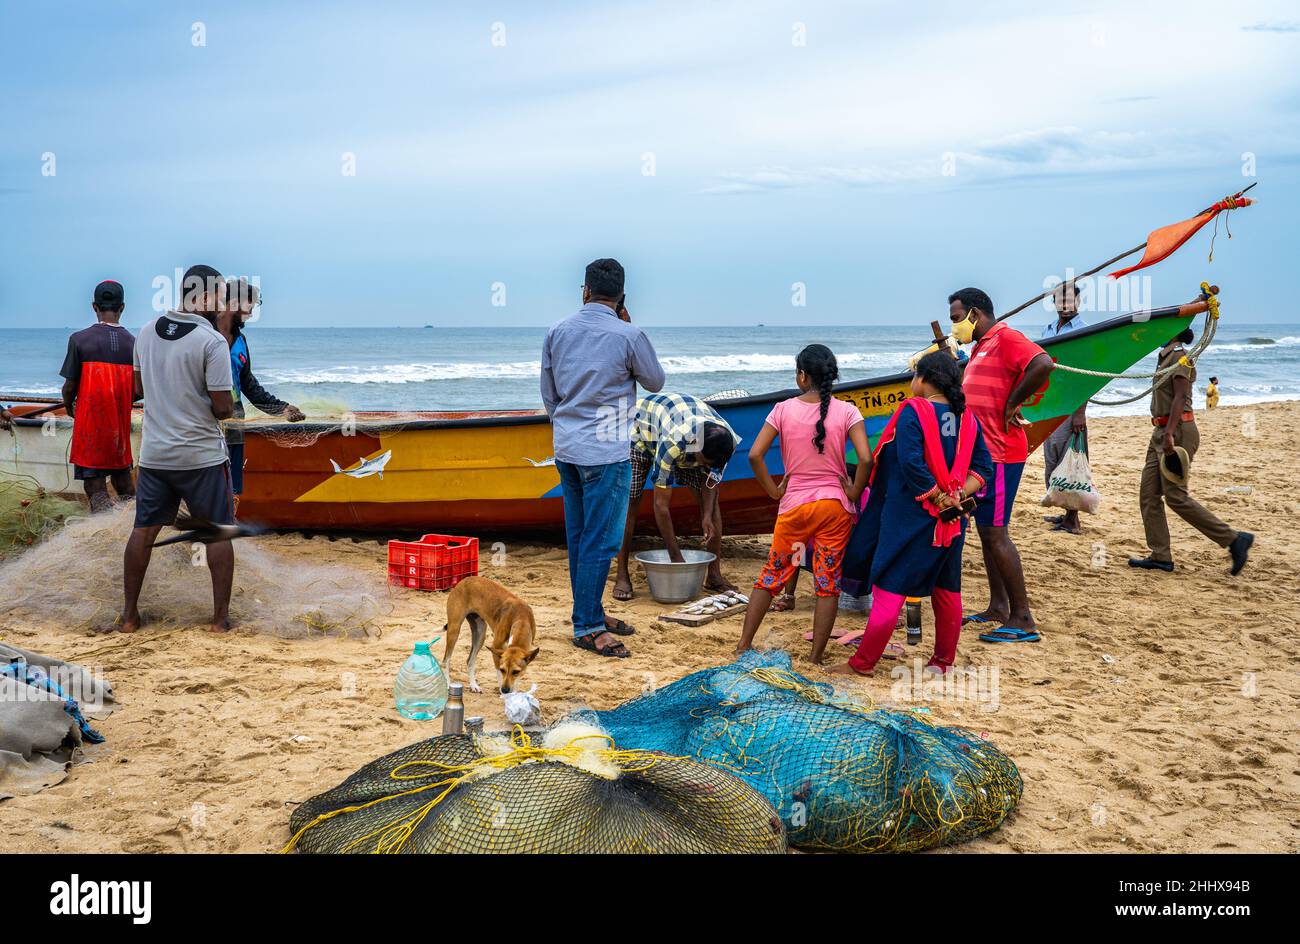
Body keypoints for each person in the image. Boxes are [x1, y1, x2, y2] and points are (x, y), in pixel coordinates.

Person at [828, 351, 992, 676]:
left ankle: (862, 664)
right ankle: (942, 663)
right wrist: (957, 495)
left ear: (925, 379)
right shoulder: (968, 418)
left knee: (891, 587)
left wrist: (936, 496)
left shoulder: (913, 411)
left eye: (914, 375)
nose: (911, 381)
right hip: (953, 520)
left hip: (912, 518)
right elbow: (983, 467)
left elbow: (911, 463)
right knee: (947, 590)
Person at [540, 258, 665, 658]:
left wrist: (566, 426)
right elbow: (655, 381)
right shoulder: (629, 334)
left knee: (579, 537)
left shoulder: (557, 331)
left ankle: (589, 611)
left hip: (568, 447)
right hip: (607, 451)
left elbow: (550, 393)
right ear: (622, 296)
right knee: (600, 540)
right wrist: (630, 325)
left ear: (585, 291)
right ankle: (588, 626)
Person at [111, 264, 237, 634]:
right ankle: (219, 621)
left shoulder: (146, 332)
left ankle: (130, 617)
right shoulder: (211, 342)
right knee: (218, 533)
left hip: (155, 457)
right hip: (200, 457)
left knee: (143, 532)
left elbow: (139, 390)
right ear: (206, 297)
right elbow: (223, 408)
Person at [735, 344, 871, 663]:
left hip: (795, 506)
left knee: (773, 574)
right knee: (827, 582)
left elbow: (755, 455)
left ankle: (744, 644)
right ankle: (815, 657)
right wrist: (853, 492)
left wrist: (772, 490)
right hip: (834, 508)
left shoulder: (782, 409)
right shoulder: (848, 410)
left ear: (801, 376)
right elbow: (865, 458)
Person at [949, 287, 1054, 644]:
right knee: (986, 531)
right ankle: (998, 605)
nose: (955, 326)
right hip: (984, 455)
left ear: (974, 314)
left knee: (996, 533)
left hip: (1001, 455)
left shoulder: (1006, 337)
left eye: (956, 318)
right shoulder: (980, 347)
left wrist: (1013, 403)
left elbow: (1042, 363)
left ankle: (1022, 617)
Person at [1130, 329, 1252, 574]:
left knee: (1176, 496)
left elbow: (1181, 396)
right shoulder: (1165, 357)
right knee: (1148, 495)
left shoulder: (1180, 357)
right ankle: (1161, 556)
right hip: (1161, 431)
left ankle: (1234, 539)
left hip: (1177, 433)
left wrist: (1169, 434)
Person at [612, 392, 739, 601]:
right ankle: (622, 575)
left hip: (686, 433)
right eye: (704, 462)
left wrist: (706, 516)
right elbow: (660, 506)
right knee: (630, 503)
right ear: (695, 446)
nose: (706, 467)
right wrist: (677, 559)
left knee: (713, 506)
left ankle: (714, 575)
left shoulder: (728, 442)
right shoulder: (672, 443)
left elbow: (711, 481)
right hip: (643, 433)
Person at [217, 278, 305, 511]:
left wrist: (283, 408)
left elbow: (249, 386)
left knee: (231, 490)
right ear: (234, 303)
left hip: (234, 428)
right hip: (204, 427)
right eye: (250, 306)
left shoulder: (241, 342)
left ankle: (224, 532)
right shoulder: (203, 335)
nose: (251, 312)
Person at [58, 280, 137, 512]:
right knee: (124, 484)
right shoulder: (134, 343)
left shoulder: (79, 340)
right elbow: (138, 390)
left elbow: (69, 387)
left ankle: (103, 534)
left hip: (90, 428)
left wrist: (69, 406)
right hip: (119, 431)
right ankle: (128, 531)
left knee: (95, 489)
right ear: (122, 307)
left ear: (94, 306)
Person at [1039, 282, 1088, 535]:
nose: (1066, 305)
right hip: (1051, 405)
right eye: (1061, 300)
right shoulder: (1049, 330)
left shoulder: (1083, 331)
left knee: (1070, 462)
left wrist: (1080, 412)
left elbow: (1086, 375)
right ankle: (1064, 513)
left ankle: (1073, 519)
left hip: (1071, 407)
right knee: (1053, 462)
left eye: (1071, 300)